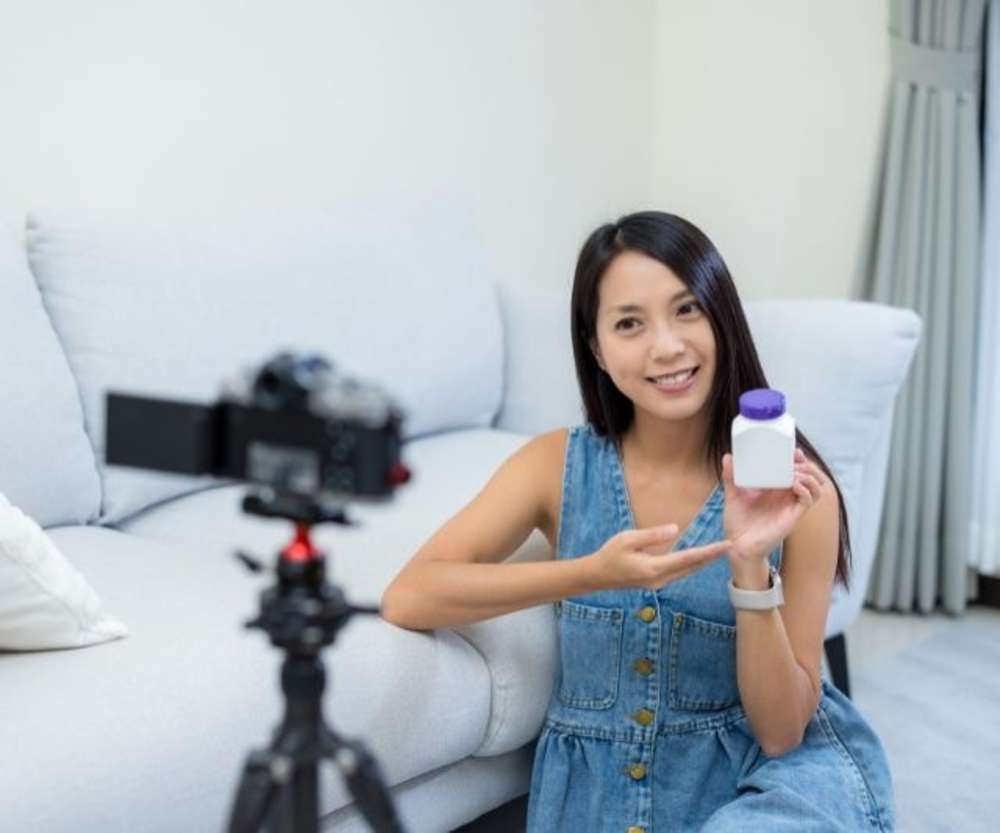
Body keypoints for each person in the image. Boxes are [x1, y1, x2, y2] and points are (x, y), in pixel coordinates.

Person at [381, 210, 895, 832]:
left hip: (765, 787)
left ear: (722, 318)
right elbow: (411, 596)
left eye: (688, 310)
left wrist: (751, 563)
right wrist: (589, 574)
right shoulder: (554, 465)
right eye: (630, 323)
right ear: (596, 348)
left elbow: (784, 733)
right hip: (599, 801)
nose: (667, 346)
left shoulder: (799, 494)